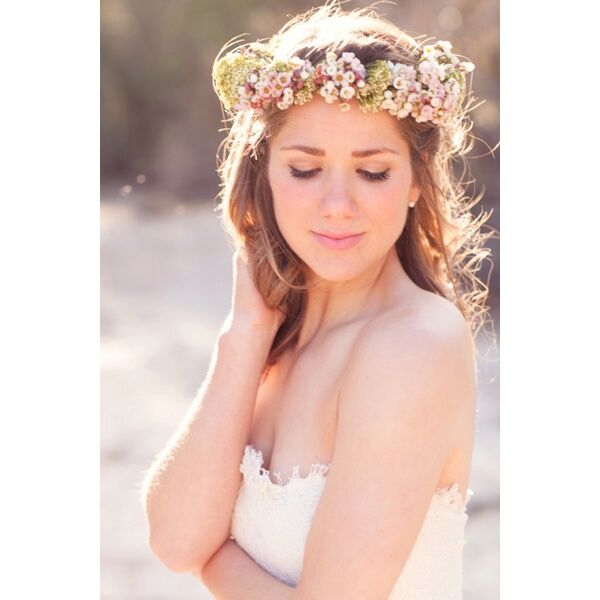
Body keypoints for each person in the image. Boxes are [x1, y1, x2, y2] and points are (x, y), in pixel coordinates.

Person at [141, 1, 494, 598]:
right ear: (264, 172)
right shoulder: (273, 337)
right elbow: (175, 540)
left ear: (415, 180)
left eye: (372, 173)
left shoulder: (415, 345)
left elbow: (193, 555)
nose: (337, 206)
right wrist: (245, 335)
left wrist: (213, 561)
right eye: (305, 170)